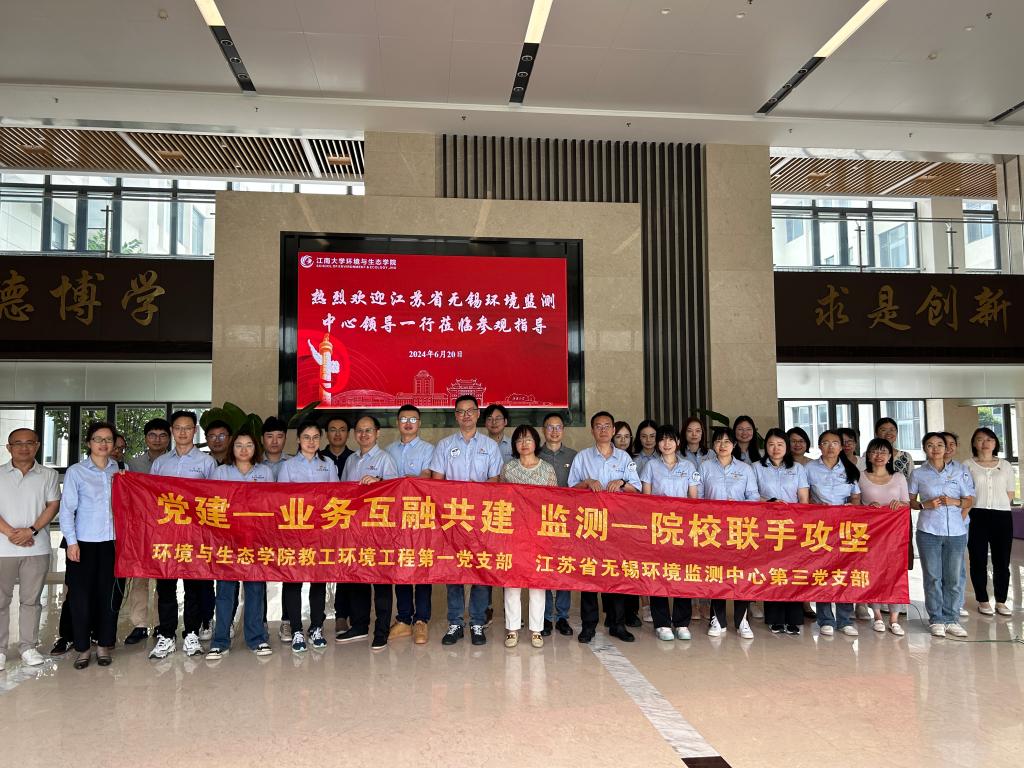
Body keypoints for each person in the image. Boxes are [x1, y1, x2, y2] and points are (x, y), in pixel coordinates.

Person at [430, 395, 503, 646]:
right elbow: (437, 482)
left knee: (480, 570)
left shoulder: (490, 446)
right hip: (453, 519)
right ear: (456, 416)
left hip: (481, 519)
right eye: (461, 412)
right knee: (454, 570)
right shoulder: (444, 445)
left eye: (470, 410)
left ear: (478, 414)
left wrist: (476, 494)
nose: (466, 415)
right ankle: (455, 623)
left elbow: (494, 482)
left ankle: (477, 623)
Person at [148, 410, 218, 659]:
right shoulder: (160, 463)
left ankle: (191, 634)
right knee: (166, 586)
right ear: (172, 430)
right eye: (178, 428)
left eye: (187, 428)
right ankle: (166, 635)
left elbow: (214, 499)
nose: (182, 432)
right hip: (166, 535)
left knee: (194, 587)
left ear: (194, 430)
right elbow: (150, 497)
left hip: (195, 536)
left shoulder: (207, 462)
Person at [569, 411, 641, 643]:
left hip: (617, 525)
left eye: (607, 426)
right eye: (598, 426)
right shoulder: (582, 457)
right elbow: (570, 490)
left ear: (613, 430)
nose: (603, 430)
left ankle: (617, 624)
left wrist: (622, 482)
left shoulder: (624, 458)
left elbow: (637, 489)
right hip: (590, 524)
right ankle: (588, 626)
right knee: (589, 573)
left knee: (615, 572)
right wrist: (587, 482)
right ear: (592, 431)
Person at [206, 429, 274, 659]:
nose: (244, 450)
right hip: (227, 540)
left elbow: (272, 504)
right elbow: (211, 503)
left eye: (249, 445)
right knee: (225, 591)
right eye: (239, 445)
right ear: (231, 448)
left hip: (256, 540)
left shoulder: (265, 472)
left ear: (256, 448)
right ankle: (220, 641)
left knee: (255, 589)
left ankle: (256, 638)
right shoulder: (221, 472)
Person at [60, 421, 120, 669]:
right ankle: (83, 648)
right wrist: (71, 542)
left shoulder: (119, 469)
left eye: (108, 439)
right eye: (98, 439)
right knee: (80, 597)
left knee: (109, 596)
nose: (103, 444)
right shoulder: (76, 471)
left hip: (112, 543)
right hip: (83, 543)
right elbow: (66, 510)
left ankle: (104, 644)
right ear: (89, 443)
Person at [0, 428, 60, 670]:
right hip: (2, 549)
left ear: (37, 445)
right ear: (9, 447)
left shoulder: (48, 474)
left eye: (29, 443)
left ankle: (28, 647)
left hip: (36, 547)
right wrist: (11, 533)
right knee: (0, 601)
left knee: (31, 601)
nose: (23, 448)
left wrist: (31, 531)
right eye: (18, 443)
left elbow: (53, 505)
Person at [338, 415, 399, 651]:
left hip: (379, 529)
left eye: (368, 431)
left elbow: (396, 492)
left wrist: (378, 481)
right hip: (355, 529)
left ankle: (381, 631)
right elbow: (343, 493)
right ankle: (359, 625)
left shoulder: (385, 459)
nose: (364, 435)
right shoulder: (351, 460)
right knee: (358, 578)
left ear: (377, 433)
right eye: (360, 431)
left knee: (381, 581)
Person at [278, 419, 339, 652]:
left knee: (318, 580)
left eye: (315, 437)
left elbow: (335, 496)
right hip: (295, 532)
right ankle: (296, 629)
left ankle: (316, 627)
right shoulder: (288, 466)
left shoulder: (328, 465)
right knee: (293, 580)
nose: (311, 442)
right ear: (298, 440)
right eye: (306, 437)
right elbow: (281, 499)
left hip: (320, 533)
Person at [910, 432, 975, 638]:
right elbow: (910, 501)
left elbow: (969, 499)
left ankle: (951, 618)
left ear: (946, 448)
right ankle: (936, 619)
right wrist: (924, 504)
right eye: (930, 445)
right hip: (928, 531)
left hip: (956, 532)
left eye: (940, 444)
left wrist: (955, 502)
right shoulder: (918, 474)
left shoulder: (959, 472)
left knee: (953, 578)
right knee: (933, 577)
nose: (936, 449)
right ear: (924, 449)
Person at [641, 425, 699, 641]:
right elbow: (646, 499)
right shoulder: (650, 466)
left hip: (682, 528)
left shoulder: (688, 466)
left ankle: (682, 622)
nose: (666, 444)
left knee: (682, 573)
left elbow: (693, 498)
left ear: (678, 442)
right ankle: (662, 622)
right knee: (659, 573)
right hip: (658, 527)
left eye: (670, 439)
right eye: (662, 439)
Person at [501, 425, 557, 648]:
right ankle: (512, 629)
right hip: (514, 533)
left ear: (536, 442)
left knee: (537, 583)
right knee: (512, 583)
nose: (524, 444)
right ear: (514, 445)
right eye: (519, 440)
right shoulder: (508, 469)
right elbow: (501, 500)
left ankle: (536, 630)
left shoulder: (547, 470)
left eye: (528, 439)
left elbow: (554, 502)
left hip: (539, 534)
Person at [700, 426, 759, 638]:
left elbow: (754, 497)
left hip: (739, 528)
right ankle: (718, 619)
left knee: (740, 574)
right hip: (713, 529)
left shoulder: (745, 469)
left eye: (727, 441)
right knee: (717, 573)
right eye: (718, 441)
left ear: (734, 445)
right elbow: (698, 498)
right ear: (713, 445)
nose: (722, 445)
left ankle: (742, 620)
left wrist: (739, 505)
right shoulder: (705, 467)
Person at [385, 404, 435, 644]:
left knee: (423, 566)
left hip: (421, 516)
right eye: (403, 419)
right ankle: (404, 619)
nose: (408, 423)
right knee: (401, 566)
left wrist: (401, 482)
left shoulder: (429, 449)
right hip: (395, 517)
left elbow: (425, 479)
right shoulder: (388, 451)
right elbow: (385, 484)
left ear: (419, 423)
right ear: (397, 422)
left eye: (413, 419)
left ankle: (421, 620)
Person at [804, 430, 861, 637]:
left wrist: (851, 509)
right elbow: (805, 496)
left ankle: (845, 619)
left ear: (841, 446)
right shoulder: (809, 468)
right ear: (819, 446)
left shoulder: (849, 467)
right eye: (826, 443)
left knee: (844, 572)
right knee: (823, 572)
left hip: (844, 526)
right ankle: (826, 619)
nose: (830, 447)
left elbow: (856, 497)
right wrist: (816, 506)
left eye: (835, 443)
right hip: (821, 527)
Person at [753, 428, 810, 635]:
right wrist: (769, 502)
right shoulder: (756, 467)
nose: (775, 449)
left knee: (793, 572)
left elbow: (803, 499)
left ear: (786, 447)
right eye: (771, 444)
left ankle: (794, 618)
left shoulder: (797, 468)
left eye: (780, 444)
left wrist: (800, 522)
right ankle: (775, 618)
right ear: (765, 447)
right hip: (767, 526)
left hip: (793, 526)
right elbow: (751, 495)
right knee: (772, 571)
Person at [123, 417, 170, 646]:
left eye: (162, 435)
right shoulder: (133, 464)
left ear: (168, 438)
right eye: (152, 435)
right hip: (140, 529)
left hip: (168, 528)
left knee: (164, 578)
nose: (157, 439)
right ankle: (139, 625)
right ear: (145, 438)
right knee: (139, 578)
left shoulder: (174, 463)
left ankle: (161, 623)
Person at [859, 437, 911, 636]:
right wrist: (867, 507)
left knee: (894, 573)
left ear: (890, 456)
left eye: (883, 452)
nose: (879, 456)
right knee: (873, 572)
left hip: (894, 534)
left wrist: (900, 505)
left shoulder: (898, 477)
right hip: (871, 534)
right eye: (874, 451)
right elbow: (855, 504)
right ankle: (878, 616)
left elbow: (907, 503)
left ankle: (894, 619)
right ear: (868, 455)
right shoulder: (861, 477)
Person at [963, 427, 1015, 617]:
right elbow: (965, 492)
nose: (985, 443)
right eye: (980, 439)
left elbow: (1010, 492)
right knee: (978, 559)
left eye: (989, 439)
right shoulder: (967, 464)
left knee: (1002, 560)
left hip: (1002, 516)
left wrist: (997, 506)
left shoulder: (1005, 465)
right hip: (976, 515)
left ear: (995, 443)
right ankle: (983, 600)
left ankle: (1001, 601)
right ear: (974, 443)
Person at [537, 412, 576, 637]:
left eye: (558, 427)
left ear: (563, 430)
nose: (554, 431)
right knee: (542, 567)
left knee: (564, 567)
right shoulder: (534, 454)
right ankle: (544, 616)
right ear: (543, 430)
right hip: (539, 519)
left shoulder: (573, 456)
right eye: (550, 427)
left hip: (566, 520)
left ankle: (562, 616)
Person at [259, 415, 293, 643]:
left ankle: (287, 621)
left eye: (279, 436)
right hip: (261, 528)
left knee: (289, 573)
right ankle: (260, 621)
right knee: (259, 573)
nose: (274, 441)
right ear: (262, 438)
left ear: (285, 438)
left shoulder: (293, 463)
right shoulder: (253, 463)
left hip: (287, 527)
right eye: (269, 436)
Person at [942, 431, 972, 618]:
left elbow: (969, 498)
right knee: (937, 568)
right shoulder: (924, 471)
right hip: (935, 526)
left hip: (959, 524)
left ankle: (956, 603)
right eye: (944, 444)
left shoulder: (962, 469)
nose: (948, 447)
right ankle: (940, 603)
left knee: (956, 566)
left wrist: (959, 520)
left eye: (952, 444)